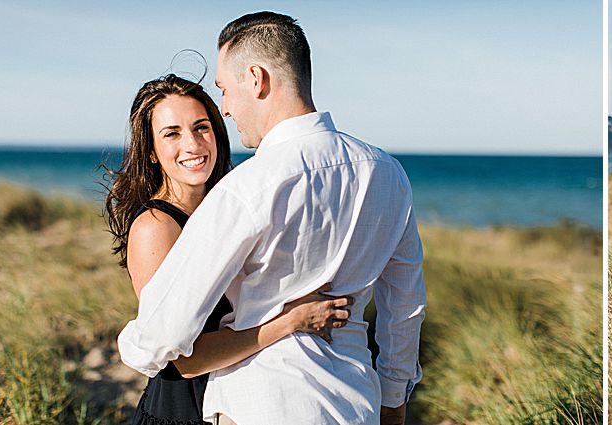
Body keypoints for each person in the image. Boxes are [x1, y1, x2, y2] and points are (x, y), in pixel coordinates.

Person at [116, 12, 426, 425]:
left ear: (257, 79)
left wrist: (133, 344)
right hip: (354, 403)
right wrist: (392, 399)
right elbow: (404, 306)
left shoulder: (247, 188)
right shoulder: (387, 173)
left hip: (261, 403)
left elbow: (160, 340)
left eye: (224, 90)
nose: (225, 108)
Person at [104, 74, 351, 424]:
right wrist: (293, 320)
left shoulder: (231, 208)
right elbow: (185, 361)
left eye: (201, 128)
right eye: (172, 134)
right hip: (184, 410)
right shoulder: (155, 228)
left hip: (244, 400)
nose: (192, 145)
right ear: (151, 152)